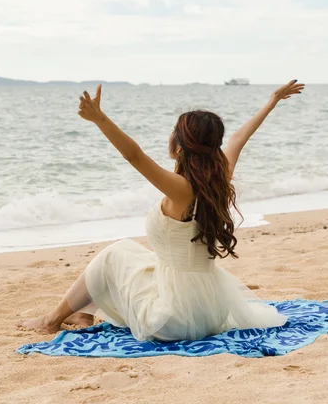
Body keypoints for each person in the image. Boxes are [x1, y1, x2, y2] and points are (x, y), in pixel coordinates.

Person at [18, 79, 305, 341]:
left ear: (179, 147)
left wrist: (100, 119)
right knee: (132, 255)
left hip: (171, 318)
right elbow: (237, 139)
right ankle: (82, 312)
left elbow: (134, 155)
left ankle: (51, 320)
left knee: (113, 255)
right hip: (207, 310)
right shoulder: (219, 178)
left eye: (173, 133)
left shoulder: (182, 189)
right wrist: (272, 101)